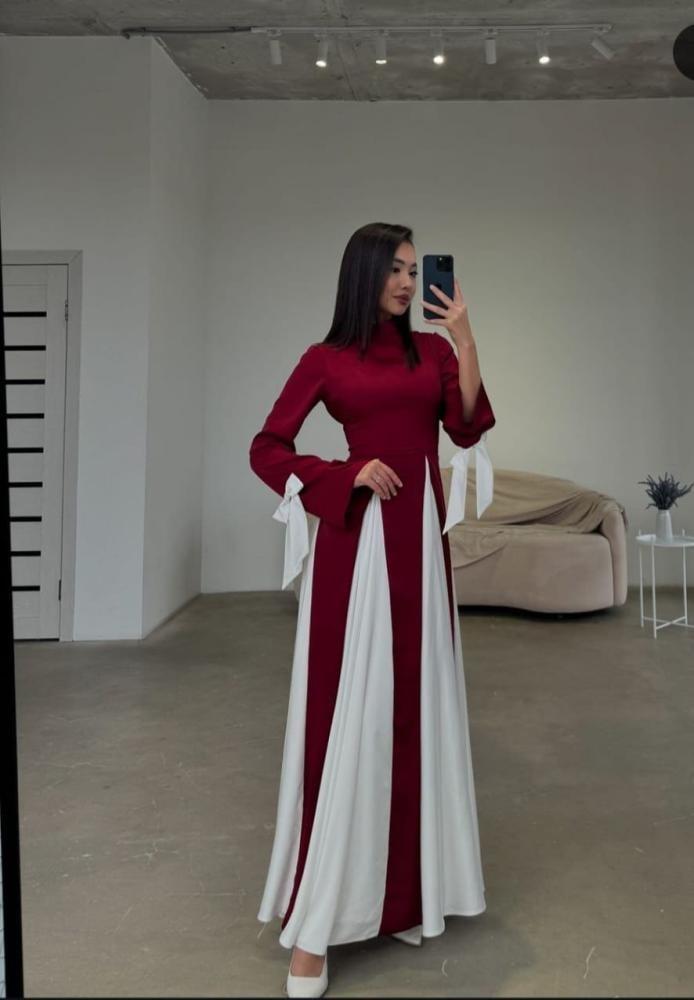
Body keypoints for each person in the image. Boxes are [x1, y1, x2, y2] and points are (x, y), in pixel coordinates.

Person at [249, 222, 496, 998]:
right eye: (394, 269)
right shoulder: (325, 360)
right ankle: (317, 921)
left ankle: (404, 896)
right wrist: (345, 473)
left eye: (414, 270)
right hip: (356, 552)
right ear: (363, 274)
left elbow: (466, 426)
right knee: (350, 717)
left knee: (414, 713)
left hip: (419, 548)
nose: (407, 282)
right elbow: (267, 447)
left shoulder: (433, 353)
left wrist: (464, 336)